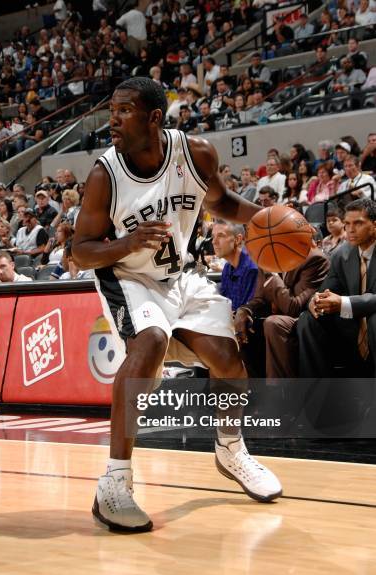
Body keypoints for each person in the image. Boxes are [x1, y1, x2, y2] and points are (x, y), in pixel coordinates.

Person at [72, 77, 282, 533]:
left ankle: (231, 449)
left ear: (152, 117)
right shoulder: (104, 174)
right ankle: (114, 483)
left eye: (123, 111)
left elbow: (222, 201)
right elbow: (80, 251)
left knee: (228, 362)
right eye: (111, 110)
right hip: (127, 276)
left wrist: (268, 220)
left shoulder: (196, 153)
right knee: (148, 343)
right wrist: (126, 243)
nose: (112, 120)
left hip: (180, 275)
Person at [298, 198, 376, 377]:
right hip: (353, 326)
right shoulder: (342, 254)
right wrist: (315, 301)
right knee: (307, 320)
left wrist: (343, 303)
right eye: (347, 223)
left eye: (358, 223)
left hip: (371, 323)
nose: (350, 229)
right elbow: (327, 288)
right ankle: (316, 399)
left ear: (375, 225)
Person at [235, 240, 330, 377]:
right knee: (241, 322)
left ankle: (281, 392)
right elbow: (260, 298)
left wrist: (272, 275)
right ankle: (252, 388)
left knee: (273, 323)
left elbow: (294, 308)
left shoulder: (314, 259)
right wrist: (244, 311)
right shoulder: (267, 258)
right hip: (279, 317)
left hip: (307, 320)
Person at [212, 220, 258, 311]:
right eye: (213, 236)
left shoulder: (252, 269)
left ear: (238, 239)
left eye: (221, 236)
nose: (214, 242)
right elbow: (225, 304)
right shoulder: (227, 268)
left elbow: (245, 313)